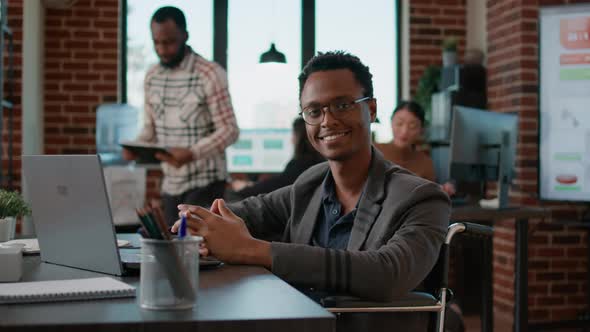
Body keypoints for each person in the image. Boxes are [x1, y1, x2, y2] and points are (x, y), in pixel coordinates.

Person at [173, 51, 450, 330]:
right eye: (314, 111)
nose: (327, 121)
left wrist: (253, 250)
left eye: (342, 105)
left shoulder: (422, 198)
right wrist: (200, 226)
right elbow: (249, 211)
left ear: (373, 109)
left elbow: (388, 273)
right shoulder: (311, 184)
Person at [122, 6, 239, 225]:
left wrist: (193, 153)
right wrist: (135, 147)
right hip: (171, 185)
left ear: (185, 35)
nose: (162, 49)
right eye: (156, 42)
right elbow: (150, 130)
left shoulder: (210, 74)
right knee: (172, 252)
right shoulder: (152, 76)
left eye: (169, 42)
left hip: (207, 183)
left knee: (200, 253)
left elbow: (230, 130)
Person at [228, 117, 324, 200]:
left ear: (300, 138)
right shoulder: (318, 162)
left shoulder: (301, 164)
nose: (291, 140)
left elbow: (278, 185)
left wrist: (245, 188)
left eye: (293, 135)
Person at [375, 101, 456, 195]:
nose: (404, 131)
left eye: (412, 126)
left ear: (421, 129)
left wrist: (442, 189)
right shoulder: (374, 151)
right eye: (399, 123)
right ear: (391, 123)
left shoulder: (425, 162)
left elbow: (429, 194)